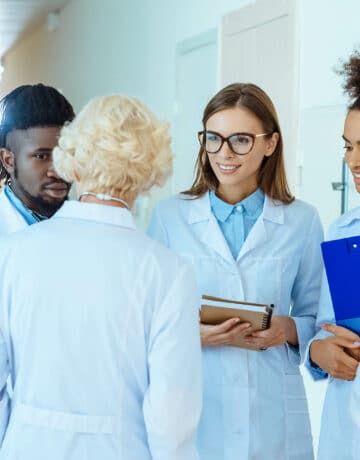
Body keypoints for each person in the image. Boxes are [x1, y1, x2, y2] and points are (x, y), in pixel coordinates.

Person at [0, 95, 202, 459]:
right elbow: (172, 421)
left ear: (72, 165)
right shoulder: (169, 273)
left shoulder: (12, 255)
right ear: (150, 178)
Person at [148, 82, 324, 460]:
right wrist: (197, 335)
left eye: (240, 140)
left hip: (273, 415)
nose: (224, 153)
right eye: (214, 138)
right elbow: (149, 321)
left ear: (270, 143)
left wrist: (287, 329)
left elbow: (316, 316)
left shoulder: (302, 221)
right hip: (197, 413)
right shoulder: (170, 217)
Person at [307, 51, 360, 460]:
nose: (353, 161)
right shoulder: (342, 233)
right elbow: (325, 330)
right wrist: (319, 353)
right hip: (347, 435)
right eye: (348, 147)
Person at [0, 83, 75, 236]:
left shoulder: (86, 230)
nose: (58, 171)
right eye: (41, 156)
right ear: (8, 161)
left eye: (66, 153)